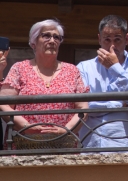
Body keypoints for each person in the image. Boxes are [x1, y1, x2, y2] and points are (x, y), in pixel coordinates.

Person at [0, 19, 88, 149]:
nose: (52, 41)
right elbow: (4, 104)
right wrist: (26, 127)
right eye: (46, 36)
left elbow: (83, 109)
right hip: (24, 144)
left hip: (63, 145)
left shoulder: (72, 70)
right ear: (33, 42)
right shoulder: (19, 68)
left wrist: (66, 130)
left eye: (56, 37)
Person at [77, 15, 128, 149]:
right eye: (107, 39)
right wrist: (119, 104)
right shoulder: (83, 67)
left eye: (117, 39)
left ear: (127, 39)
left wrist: (115, 68)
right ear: (99, 39)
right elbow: (82, 107)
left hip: (125, 145)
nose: (112, 46)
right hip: (90, 144)